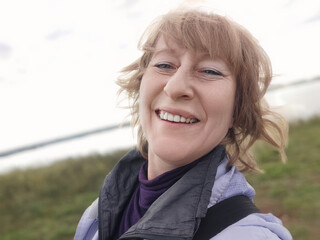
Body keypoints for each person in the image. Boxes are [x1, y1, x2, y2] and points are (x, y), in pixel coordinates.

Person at [75, 9, 292, 240]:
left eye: (209, 71)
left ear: (236, 111)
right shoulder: (97, 214)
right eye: (164, 65)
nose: (175, 87)